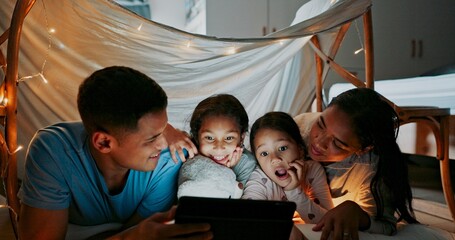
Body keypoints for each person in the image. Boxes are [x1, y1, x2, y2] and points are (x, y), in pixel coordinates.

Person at [17, 66, 212, 240]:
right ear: (103, 142)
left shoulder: (168, 160)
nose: (163, 143)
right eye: (152, 138)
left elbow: (147, 230)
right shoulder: (53, 151)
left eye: (164, 130)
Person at [294, 88, 418, 240]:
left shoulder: (370, 168)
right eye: (320, 124)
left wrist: (358, 215)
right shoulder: (294, 131)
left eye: (338, 143)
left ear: (363, 149)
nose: (319, 142)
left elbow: (386, 225)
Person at [243, 111, 333, 223]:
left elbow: (330, 221)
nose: (275, 159)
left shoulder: (313, 170)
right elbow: (247, 220)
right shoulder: (260, 180)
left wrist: (294, 191)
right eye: (264, 153)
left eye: (282, 148)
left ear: (300, 149)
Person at [179, 94, 257, 191]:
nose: (219, 147)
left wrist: (228, 170)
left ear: (241, 138)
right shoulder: (188, 152)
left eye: (229, 138)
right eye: (209, 138)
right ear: (197, 137)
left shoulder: (246, 163)